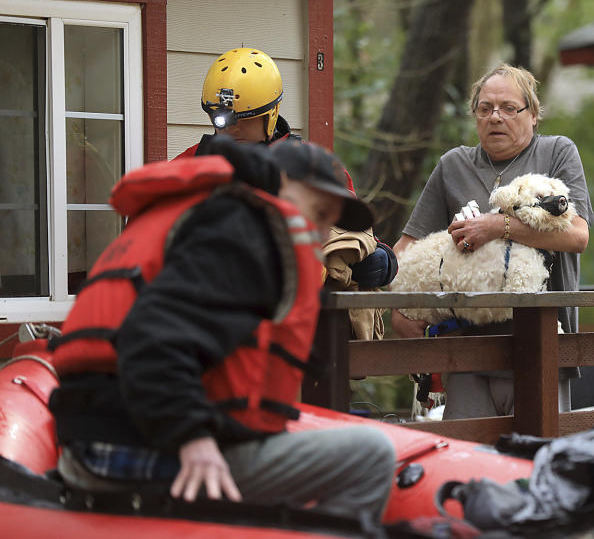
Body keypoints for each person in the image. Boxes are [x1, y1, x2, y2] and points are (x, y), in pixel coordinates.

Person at [48, 137, 395, 521]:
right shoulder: (244, 230)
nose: (318, 232)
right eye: (317, 210)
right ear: (277, 183)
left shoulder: (208, 213)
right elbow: (149, 339)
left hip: (101, 440)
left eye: (328, 222)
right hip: (134, 450)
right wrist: (193, 439)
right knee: (371, 454)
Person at [391, 63, 594, 420]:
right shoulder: (453, 166)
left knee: (533, 463)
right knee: (472, 465)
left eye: (508, 108)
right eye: (485, 109)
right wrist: (396, 305)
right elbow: (406, 250)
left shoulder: (557, 153)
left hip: (540, 348)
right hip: (464, 350)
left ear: (533, 115)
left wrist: (498, 226)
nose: (495, 117)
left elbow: (578, 236)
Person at [179, 46, 397, 333]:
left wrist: (383, 262)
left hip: (303, 340)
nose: (231, 129)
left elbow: (355, 236)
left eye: (243, 119)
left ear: (271, 115)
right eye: (221, 118)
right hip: (208, 331)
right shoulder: (187, 167)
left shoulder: (313, 167)